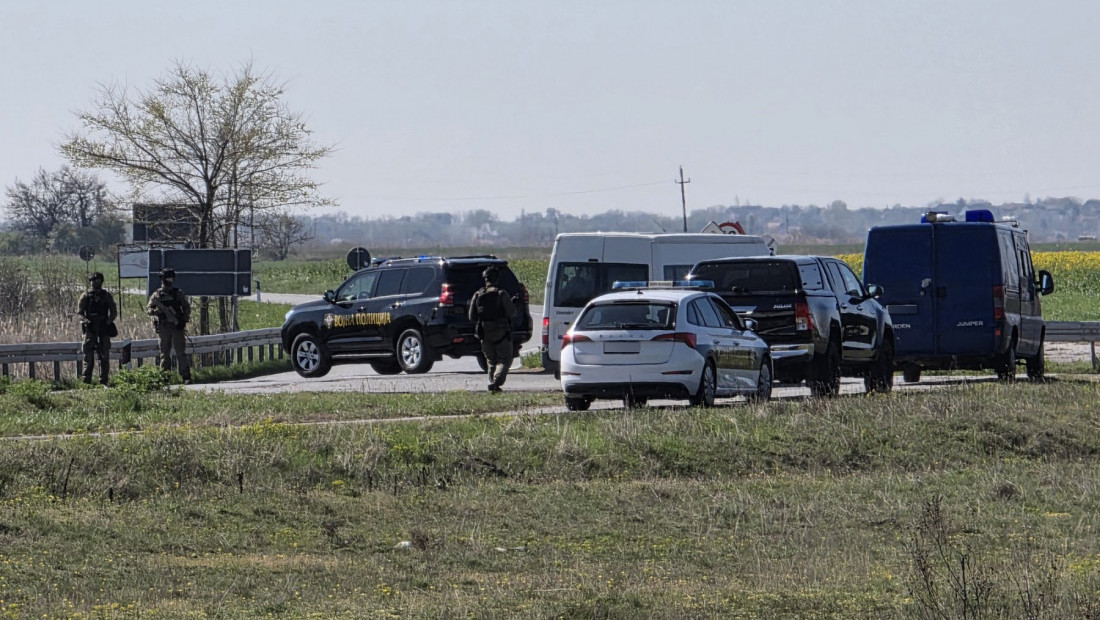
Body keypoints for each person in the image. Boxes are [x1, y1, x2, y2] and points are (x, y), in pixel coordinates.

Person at [468, 265, 517, 393]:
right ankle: (496, 382)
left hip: (484, 333)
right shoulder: (501, 294)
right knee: (504, 360)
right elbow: (511, 312)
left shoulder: (477, 295)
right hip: (501, 332)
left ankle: (491, 381)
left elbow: (471, 317)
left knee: (491, 361)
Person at [147, 267, 192, 383]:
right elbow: (149, 309)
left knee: (180, 352)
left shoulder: (177, 293)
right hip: (164, 326)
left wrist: (183, 320)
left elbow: (187, 308)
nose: (170, 280)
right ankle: (165, 377)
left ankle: (185, 376)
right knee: (164, 353)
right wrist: (157, 313)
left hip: (177, 326)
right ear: (162, 279)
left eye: (171, 277)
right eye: (168, 277)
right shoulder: (157, 295)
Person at [77, 271, 118, 385]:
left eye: (98, 280)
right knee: (88, 356)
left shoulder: (106, 296)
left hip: (103, 328)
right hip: (90, 329)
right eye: (94, 281)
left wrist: (108, 322)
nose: (96, 283)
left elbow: (114, 312)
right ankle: (86, 381)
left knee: (104, 355)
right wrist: (86, 322)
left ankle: (104, 380)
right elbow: (79, 313)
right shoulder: (86, 295)